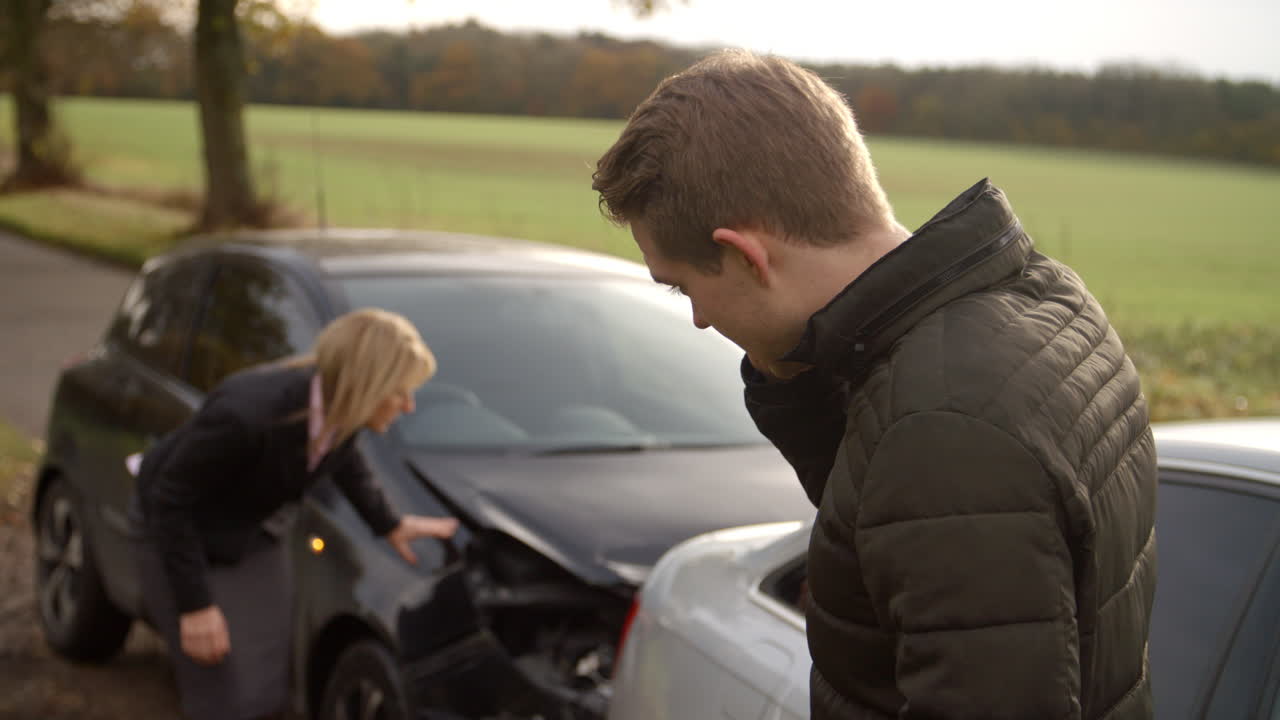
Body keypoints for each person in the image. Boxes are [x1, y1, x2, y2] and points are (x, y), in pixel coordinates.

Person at [593, 50, 1157, 720]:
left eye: (686, 285)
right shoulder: (1037, 296)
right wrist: (805, 377)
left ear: (745, 255)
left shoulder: (940, 428)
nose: (698, 318)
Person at [133, 308, 459, 720]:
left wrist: (389, 523)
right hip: (179, 529)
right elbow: (170, 501)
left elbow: (343, 458)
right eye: (400, 392)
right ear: (366, 384)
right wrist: (196, 605)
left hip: (252, 529)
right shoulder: (245, 416)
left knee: (268, 682)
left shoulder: (342, 412)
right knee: (222, 689)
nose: (409, 406)